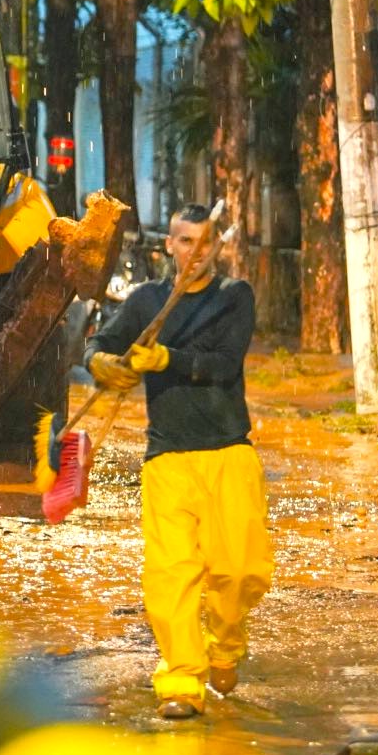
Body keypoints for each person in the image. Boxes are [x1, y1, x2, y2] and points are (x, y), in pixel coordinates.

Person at [83, 204, 271, 721]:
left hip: (228, 450)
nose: (196, 252)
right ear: (169, 245)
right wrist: (102, 363)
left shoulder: (234, 297)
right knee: (171, 574)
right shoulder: (145, 301)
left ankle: (226, 645)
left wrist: (168, 360)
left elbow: (224, 364)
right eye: (185, 242)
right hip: (167, 455)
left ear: (217, 246)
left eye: (205, 242)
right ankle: (182, 679)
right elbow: (99, 343)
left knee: (240, 572)